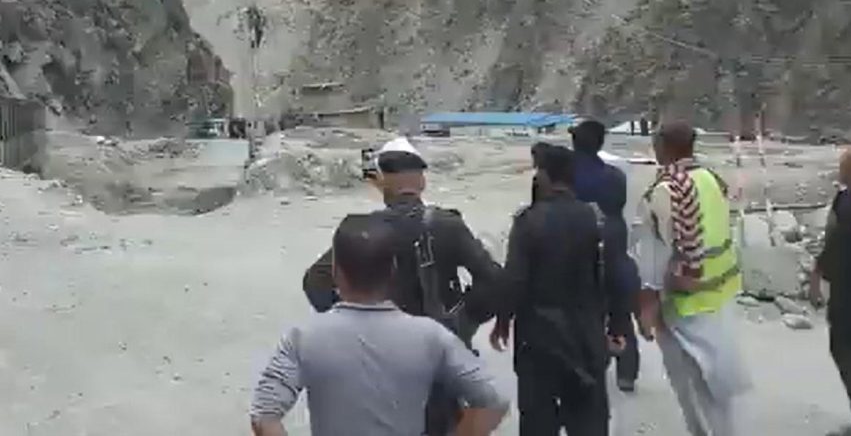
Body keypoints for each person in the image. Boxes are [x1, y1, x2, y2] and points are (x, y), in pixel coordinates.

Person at [303, 136, 503, 435]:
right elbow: (493, 281)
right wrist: (465, 320)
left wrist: (352, 321)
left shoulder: (368, 230)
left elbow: (316, 281)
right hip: (440, 352)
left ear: (384, 183)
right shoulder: (447, 225)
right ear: (421, 182)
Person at [251, 214, 509, 436]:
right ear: (392, 270)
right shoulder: (430, 337)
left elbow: (264, 415)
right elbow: (494, 401)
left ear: (336, 271)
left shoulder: (303, 338)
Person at [491, 145, 631, 436]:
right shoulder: (596, 219)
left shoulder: (528, 222)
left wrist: (503, 321)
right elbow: (616, 275)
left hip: (537, 337)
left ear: (544, 174)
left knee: (538, 418)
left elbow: (515, 279)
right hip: (586, 334)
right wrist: (617, 325)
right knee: (589, 417)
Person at [635, 121, 751, 436]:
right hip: (718, 293)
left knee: (692, 387)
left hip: (683, 304)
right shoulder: (710, 179)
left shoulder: (667, 190)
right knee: (717, 384)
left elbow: (656, 254)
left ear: (666, 147)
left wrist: (647, 307)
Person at [569, 119, 641, 392]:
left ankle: (587, 365)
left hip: (579, 248)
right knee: (620, 309)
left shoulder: (564, 175)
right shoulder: (615, 176)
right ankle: (626, 372)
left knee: (584, 311)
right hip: (614, 244)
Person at [810, 145, 851, 436]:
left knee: (847, 354)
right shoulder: (844, 199)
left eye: (844, 166)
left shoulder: (848, 205)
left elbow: (833, 244)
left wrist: (817, 277)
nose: (839, 171)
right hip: (850, 290)